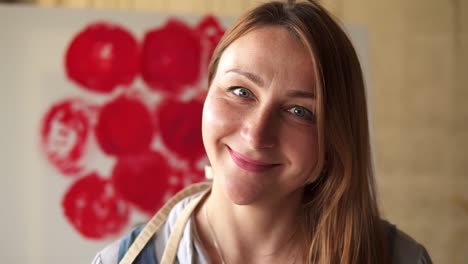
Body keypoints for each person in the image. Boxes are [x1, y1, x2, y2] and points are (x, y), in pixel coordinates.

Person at [92, 1, 432, 263]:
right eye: (241, 92)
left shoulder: (401, 259)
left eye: (299, 111)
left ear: (334, 138)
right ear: (208, 92)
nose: (256, 135)